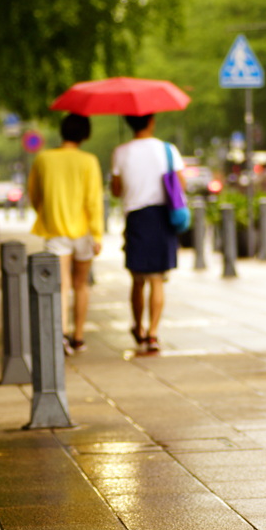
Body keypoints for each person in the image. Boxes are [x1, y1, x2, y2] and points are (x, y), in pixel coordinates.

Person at [26, 113, 105, 354]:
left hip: (55, 230)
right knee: (81, 285)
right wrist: (98, 234)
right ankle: (79, 336)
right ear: (86, 135)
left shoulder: (43, 159)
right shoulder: (88, 161)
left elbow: (34, 194)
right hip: (84, 232)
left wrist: (46, 212)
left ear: (62, 132)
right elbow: (94, 200)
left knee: (61, 284)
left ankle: (61, 335)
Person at [110, 113, 185, 354]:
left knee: (138, 278)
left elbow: (116, 190)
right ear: (151, 121)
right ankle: (153, 333)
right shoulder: (167, 149)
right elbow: (180, 183)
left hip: (136, 218)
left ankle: (139, 327)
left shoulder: (121, 151)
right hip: (162, 216)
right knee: (157, 279)